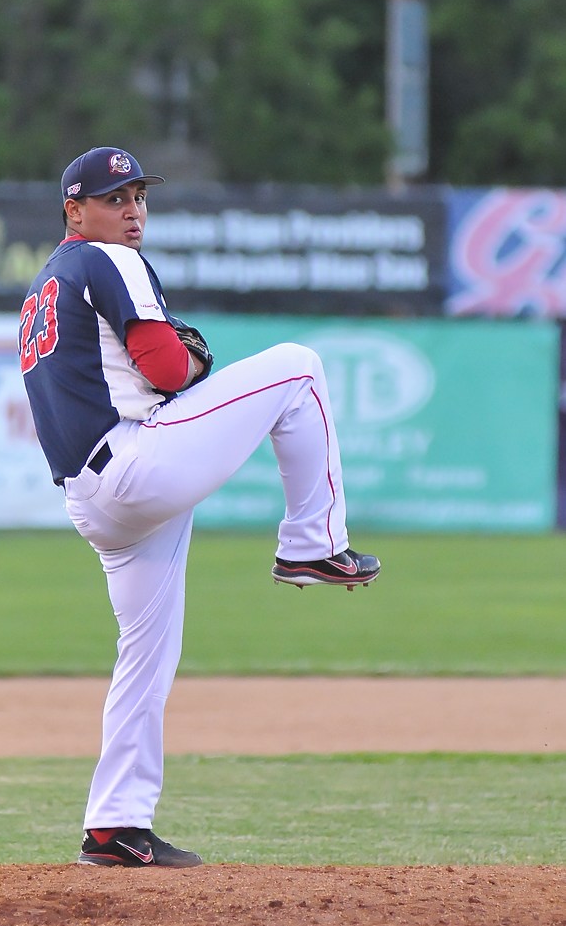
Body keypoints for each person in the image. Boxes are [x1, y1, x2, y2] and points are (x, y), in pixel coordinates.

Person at [19, 146, 381, 869]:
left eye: (138, 197)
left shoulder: (43, 287)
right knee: (298, 368)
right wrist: (196, 359)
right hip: (132, 464)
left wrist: (181, 369)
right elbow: (164, 366)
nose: (132, 211)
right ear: (74, 211)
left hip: (90, 499)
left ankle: (114, 825)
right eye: (115, 199)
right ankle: (311, 540)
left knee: (145, 654)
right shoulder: (104, 261)